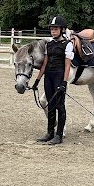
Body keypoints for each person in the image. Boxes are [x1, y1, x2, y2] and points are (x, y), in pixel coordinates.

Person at [32, 15, 73, 145]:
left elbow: (67, 66)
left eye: (55, 29)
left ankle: (59, 135)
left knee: (60, 106)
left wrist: (64, 83)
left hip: (59, 76)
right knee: (50, 105)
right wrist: (37, 81)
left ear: (62, 29)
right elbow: (44, 64)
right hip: (48, 76)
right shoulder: (48, 44)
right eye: (51, 29)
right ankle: (50, 132)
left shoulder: (67, 45)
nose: (53, 31)